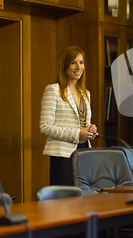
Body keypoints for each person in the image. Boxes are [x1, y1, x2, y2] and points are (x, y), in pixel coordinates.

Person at [40, 46, 98, 186]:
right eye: (73, 62)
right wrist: (78, 133)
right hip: (62, 157)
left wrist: (90, 131)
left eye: (81, 62)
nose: (79, 67)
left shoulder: (86, 93)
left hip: (84, 155)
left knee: (83, 201)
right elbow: (45, 127)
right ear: (64, 65)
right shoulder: (53, 90)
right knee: (64, 204)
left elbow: (84, 125)